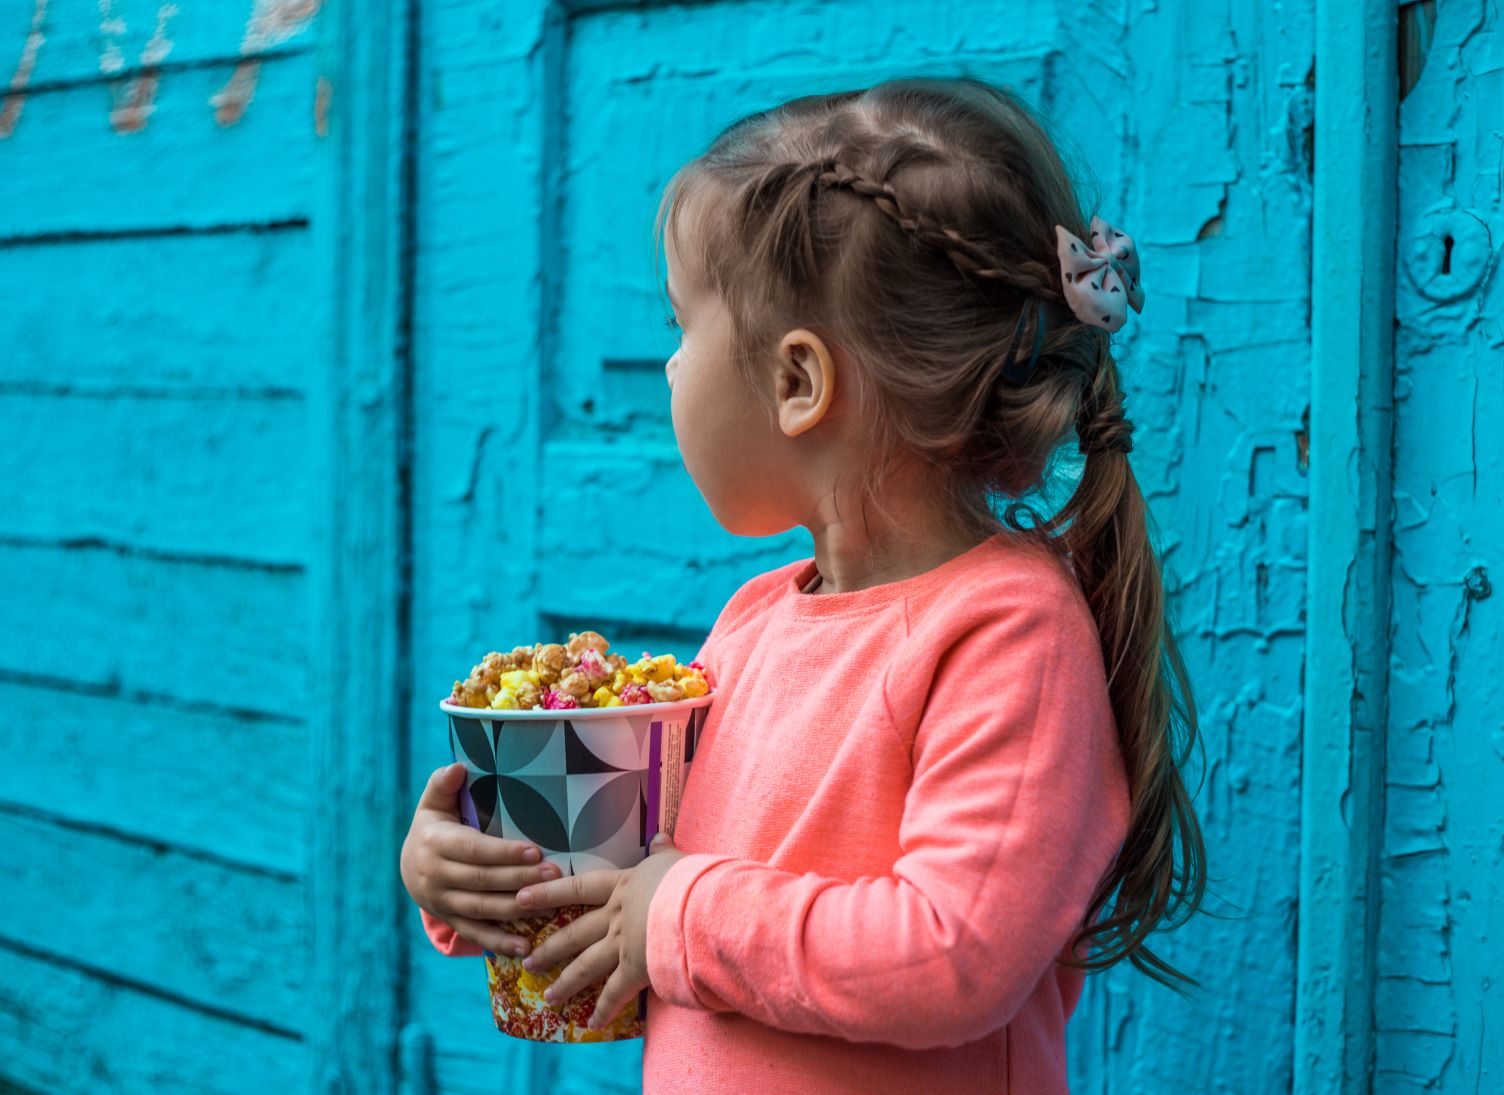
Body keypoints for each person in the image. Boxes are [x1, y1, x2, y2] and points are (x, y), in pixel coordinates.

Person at [400, 74, 1206, 1093]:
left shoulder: (1007, 633)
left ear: (797, 382)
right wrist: (474, 875)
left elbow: (951, 953)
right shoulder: (753, 624)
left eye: (682, 327)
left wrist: (678, 915)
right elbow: (638, 894)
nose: (667, 369)